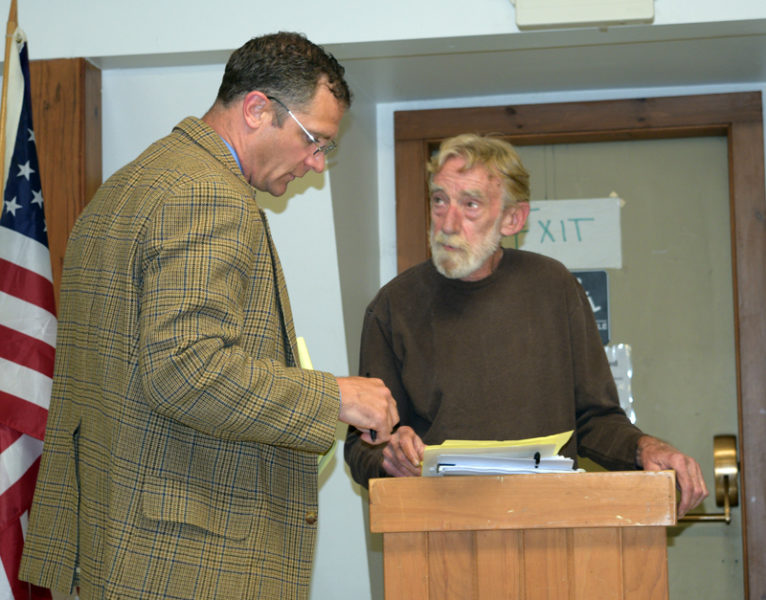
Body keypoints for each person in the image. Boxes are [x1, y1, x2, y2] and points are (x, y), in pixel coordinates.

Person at [19, 32, 398, 600]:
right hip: (186, 562)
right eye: (314, 141)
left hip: (118, 545)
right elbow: (186, 368)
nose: (317, 165)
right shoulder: (208, 194)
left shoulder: (131, 183)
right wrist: (334, 397)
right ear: (256, 109)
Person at [344, 133, 707, 517]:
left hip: (549, 521)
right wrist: (388, 455)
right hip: (440, 528)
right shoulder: (394, 305)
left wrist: (645, 447)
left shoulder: (554, 287)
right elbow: (361, 446)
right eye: (439, 200)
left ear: (513, 218)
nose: (447, 223)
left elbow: (595, 419)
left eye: (470, 204)